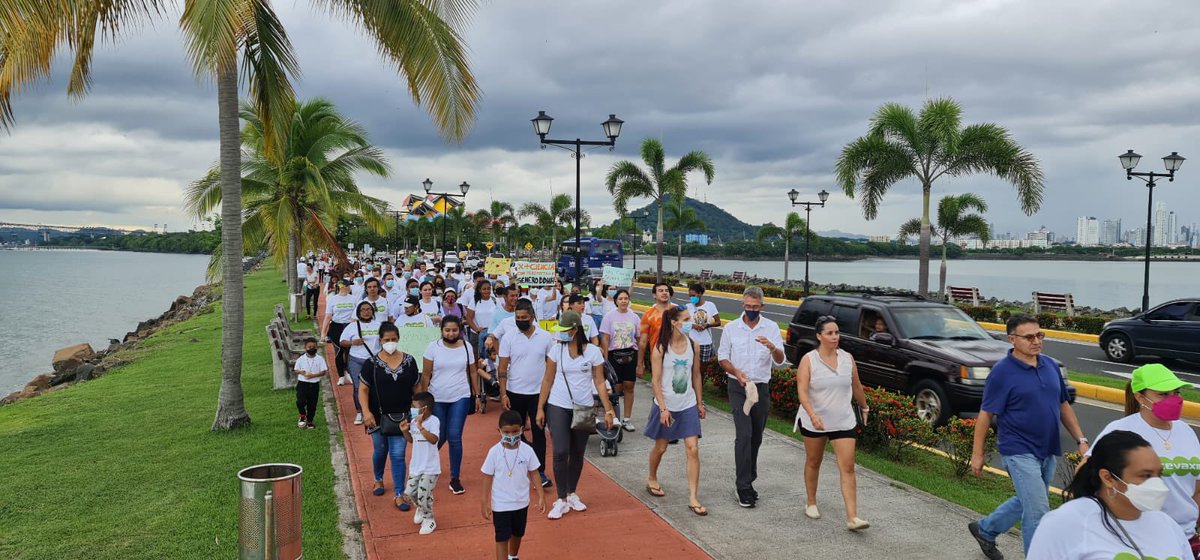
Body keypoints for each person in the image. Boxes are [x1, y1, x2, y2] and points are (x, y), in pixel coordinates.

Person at [969, 314, 1089, 558]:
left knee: (1029, 501)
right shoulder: (1002, 373)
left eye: (1040, 335)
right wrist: (977, 454)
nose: (1036, 341)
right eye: (1029, 337)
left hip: (1046, 448)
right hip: (1017, 449)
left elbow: (1063, 405)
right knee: (1038, 512)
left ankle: (985, 529)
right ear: (1012, 339)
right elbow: (986, 414)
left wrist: (1081, 440)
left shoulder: (1050, 366)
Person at [1083, 363, 1198, 556]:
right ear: (1139, 397)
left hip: (1185, 538)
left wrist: (1191, 520)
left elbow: (1197, 486)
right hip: (1138, 540)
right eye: (1162, 394)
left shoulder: (1186, 431)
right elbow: (1087, 475)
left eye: (1176, 393)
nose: (1173, 399)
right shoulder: (1121, 430)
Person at [1028, 430, 1189, 560]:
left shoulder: (1168, 525)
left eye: (1158, 474)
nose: (1157, 484)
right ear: (1108, 478)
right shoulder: (1064, 523)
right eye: (1145, 475)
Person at [536, 310, 617, 520]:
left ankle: (572, 492)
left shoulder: (593, 352)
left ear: (575, 330)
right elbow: (547, 380)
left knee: (577, 452)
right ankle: (561, 498)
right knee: (561, 451)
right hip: (558, 405)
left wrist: (608, 409)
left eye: (565, 330)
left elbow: (599, 381)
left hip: (584, 407)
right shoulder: (556, 350)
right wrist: (540, 407)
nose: (561, 334)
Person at [794, 316, 870, 530]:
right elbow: (802, 391)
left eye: (837, 332)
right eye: (830, 333)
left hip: (843, 420)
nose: (835, 337)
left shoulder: (847, 358)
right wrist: (813, 414)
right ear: (819, 336)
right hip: (814, 421)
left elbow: (856, 385)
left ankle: (853, 517)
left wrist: (864, 407)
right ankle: (811, 501)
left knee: (848, 467)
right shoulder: (809, 360)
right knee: (813, 461)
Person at [718, 286, 785, 508]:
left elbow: (780, 359)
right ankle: (743, 486)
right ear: (743, 305)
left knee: (756, 437)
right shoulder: (732, 328)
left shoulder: (771, 327)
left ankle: (749, 479)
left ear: (762, 307)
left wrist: (772, 346)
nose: (752, 310)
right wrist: (736, 372)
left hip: (760, 388)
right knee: (744, 435)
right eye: (748, 307)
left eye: (755, 307)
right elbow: (722, 358)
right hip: (738, 387)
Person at [644, 306, 707, 516]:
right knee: (661, 447)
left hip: (687, 403)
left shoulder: (693, 344)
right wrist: (663, 408)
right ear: (674, 322)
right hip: (666, 405)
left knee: (693, 449)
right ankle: (652, 477)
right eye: (686, 319)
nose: (690, 322)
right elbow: (655, 380)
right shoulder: (660, 348)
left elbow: (696, 375)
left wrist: (699, 402)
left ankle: (693, 497)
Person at [359, 322, 421, 509]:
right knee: (380, 450)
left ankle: (399, 495)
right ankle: (378, 479)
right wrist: (366, 412)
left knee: (398, 455)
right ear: (380, 340)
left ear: (399, 339)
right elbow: (363, 390)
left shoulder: (409, 361)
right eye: (387, 340)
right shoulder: (371, 364)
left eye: (394, 339)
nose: (391, 343)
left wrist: (417, 412)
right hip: (377, 416)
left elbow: (416, 389)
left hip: (402, 417)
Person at [497, 299, 554, 488]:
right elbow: (502, 368)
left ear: (532, 317)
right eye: (517, 318)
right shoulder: (508, 337)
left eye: (524, 318)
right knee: (514, 434)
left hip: (538, 394)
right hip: (514, 392)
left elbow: (551, 366)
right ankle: (515, 468)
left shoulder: (546, 337)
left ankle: (540, 471)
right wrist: (503, 393)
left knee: (539, 433)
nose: (520, 321)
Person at [421, 315, 477, 495]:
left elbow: (473, 372)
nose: (451, 333)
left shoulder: (467, 347)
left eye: (454, 330)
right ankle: (423, 464)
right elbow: (426, 375)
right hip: (437, 397)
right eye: (447, 330)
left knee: (454, 437)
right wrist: (424, 400)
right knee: (439, 436)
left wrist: (477, 393)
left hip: (460, 396)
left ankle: (455, 478)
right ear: (441, 330)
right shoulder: (432, 348)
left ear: (460, 330)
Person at [482, 409, 547, 560]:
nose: (511, 436)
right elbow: (487, 477)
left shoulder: (527, 450)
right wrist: (484, 501)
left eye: (515, 431)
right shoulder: (494, 452)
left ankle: (513, 556)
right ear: (499, 431)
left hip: (521, 502)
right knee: (501, 537)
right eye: (506, 432)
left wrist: (541, 495)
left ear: (522, 430)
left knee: (518, 533)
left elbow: (535, 473)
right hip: (501, 504)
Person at [635, 283, 677, 432]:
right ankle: (660, 422)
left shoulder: (677, 312)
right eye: (660, 291)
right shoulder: (648, 315)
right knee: (659, 389)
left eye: (666, 290)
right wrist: (640, 363)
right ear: (654, 295)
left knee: (675, 389)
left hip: (677, 358)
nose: (664, 293)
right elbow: (643, 342)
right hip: (658, 358)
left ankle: (670, 423)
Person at [600, 289, 641, 429]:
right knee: (615, 388)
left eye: (626, 298)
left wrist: (640, 361)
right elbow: (605, 339)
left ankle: (627, 419)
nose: (624, 301)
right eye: (621, 299)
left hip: (630, 354)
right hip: (613, 354)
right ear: (616, 301)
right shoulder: (609, 317)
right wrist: (605, 360)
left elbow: (639, 338)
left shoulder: (634, 317)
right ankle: (614, 417)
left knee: (629, 386)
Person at [401, 392, 441, 535]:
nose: (412, 409)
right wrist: (405, 432)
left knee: (423, 495)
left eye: (414, 406)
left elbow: (434, 439)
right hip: (416, 466)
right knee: (410, 492)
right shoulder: (412, 422)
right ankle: (421, 508)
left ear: (424, 409)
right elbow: (412, 440)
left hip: (430, 467)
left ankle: (429, 519)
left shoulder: (434, 421)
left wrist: (420, 426)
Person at [340, 301, 382, 425]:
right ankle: (360, 411)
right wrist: (353, 342)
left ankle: (373, 410)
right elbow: (342, 341)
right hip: (356, 360)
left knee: (375, 386)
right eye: (363, 310)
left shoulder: (379, 325)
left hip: (374, 360)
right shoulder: (352, 326)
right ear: (358, 313)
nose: (366, 312)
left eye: (368, 309)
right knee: (358, 386)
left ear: (373, 311)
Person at [321, 280, 356, 385]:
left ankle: (349, 372)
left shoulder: (354, 299)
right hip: (336, 327)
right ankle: (341, 376)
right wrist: (323, 332)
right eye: (348, 285)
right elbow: (328, 317)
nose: (350, 287)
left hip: (350, 327)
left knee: (350, 351)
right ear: (342, 287)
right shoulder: (333, 299)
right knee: (339, 350)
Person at [293, 337, 326, 429]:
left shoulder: (320, 359)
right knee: (300, 401)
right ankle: (302, 415)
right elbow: (296, 370)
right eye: (309, 347)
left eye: (313, 347)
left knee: (312, 404)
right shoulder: (301, 359)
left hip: (314, 384)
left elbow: (323, 372)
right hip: (302, 384)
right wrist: (302, 372)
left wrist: (313, 375)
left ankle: (310, 420)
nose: (311, 349)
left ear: (317, 348)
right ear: (305, 348)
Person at [685, 283, 721, 362]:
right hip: (691, 343)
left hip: (705, 343)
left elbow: (718, 322)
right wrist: (693, 325)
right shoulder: (687, 306)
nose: (691, 298)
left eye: (693, 296)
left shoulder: (710, 305)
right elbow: (682, 324)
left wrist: (707, 325)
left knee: (703, 368)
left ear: (700, 294)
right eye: (690, 296)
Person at [467, 280, 499, 357]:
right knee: (477, 356)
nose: (487, 291)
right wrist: (477, 329)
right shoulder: (474, 301)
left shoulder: (495, 300)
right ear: (479, 290)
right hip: (477, 335)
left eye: (488, 288)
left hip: (492, 334)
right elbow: (468, 318)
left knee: (492, 357)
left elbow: (499, 316)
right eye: (484, 289)